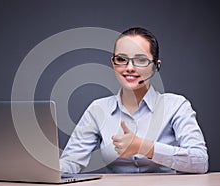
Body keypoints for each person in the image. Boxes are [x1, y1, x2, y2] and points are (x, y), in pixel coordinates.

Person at [60, 27, 208, 174]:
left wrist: (145, 147)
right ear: (113, 63)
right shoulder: (98, 109)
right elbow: (71, 162)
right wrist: (45, 169)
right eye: (121, 59)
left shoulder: (176, 106)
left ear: (156, 66)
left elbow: (200, 161)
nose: (129, 68)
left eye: (141, 60)